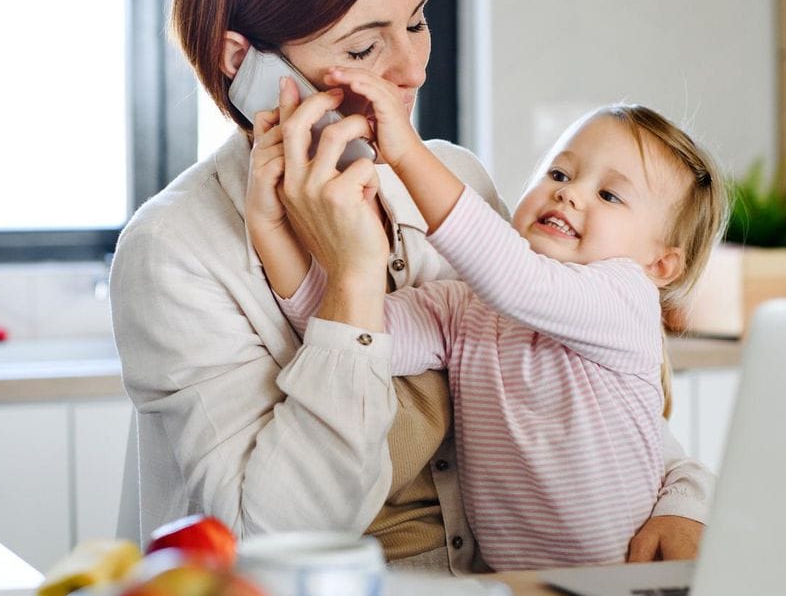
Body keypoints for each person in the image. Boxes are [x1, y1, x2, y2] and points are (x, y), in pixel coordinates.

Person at [110, 0, 715, 573]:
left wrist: (687, 497)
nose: (412, 68)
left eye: (418, 20)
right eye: (365, 47)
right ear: (247, 63)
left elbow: (582, 406)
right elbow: (272, 543)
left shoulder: (452, 180)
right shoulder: (173, 252)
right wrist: (352, 281)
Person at [249, 95, 726, 570]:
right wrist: (270, 230)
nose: (569, 193)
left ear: (659, 264)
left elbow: (518, 280)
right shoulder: (466, 306)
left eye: (609, 195)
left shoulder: (626, 297)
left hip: (623, 576)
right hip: (521, 589)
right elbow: (349, 331)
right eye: (559, 173)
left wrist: (407, 153)